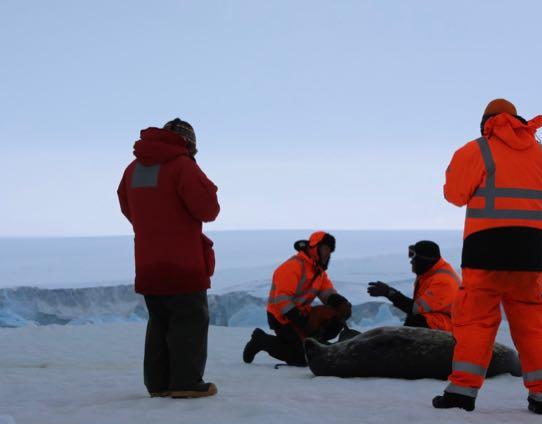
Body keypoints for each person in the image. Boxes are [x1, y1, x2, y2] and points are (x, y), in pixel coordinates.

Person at [432, 99, 542, 414]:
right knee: (531, 322)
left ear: (486, 122)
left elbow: (454, 195)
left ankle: (462, 392)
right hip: (531, 251)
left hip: (485, 247)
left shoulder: (477, 150)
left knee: (476, 319)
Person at [117, 118, 220, 399]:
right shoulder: (182, 166)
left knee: (160, 320)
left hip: (148, 262)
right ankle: (186, 382)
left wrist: (152, 228)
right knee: (189, 319)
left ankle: (159, 384)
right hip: (182, 262)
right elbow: (208, 209)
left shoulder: (133, 169)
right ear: (189, 145)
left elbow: (127, 206)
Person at [242, 231, 352, 366]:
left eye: (330, 251)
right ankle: (260, 340)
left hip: (301, 314)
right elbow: (282, 300)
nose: (327, 254)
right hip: (281, 317)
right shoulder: (292, 267)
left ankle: (317, 342)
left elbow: (326, 293)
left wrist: (340, 303)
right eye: (325, 249)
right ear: (314, 248)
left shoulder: (319, 272)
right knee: (302, 357)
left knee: (332, 314)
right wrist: (302, 321)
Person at [366, 241, 461, 331]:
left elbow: (415, 309)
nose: (411, 261)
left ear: (423, 261)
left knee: (417, 322)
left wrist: (388, 292)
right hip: (448, 322)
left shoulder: (442, 281)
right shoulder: (429, 274)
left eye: (414, 258)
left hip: (454, 327)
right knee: (414, 321)